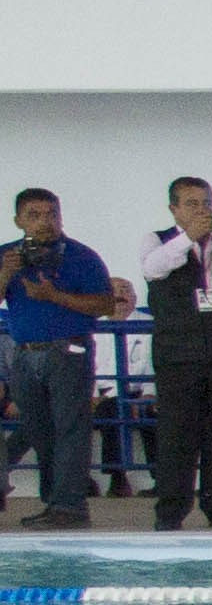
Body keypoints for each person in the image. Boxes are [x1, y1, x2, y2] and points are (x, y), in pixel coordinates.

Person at [133, 176, 212, 533]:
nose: (201, 210)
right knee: (177, 435)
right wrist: (189, 237)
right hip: (180, 355)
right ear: (173, 208)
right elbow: (153, 269)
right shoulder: (157, 240)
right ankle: (171, 510)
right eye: (191, 204)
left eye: (205, 202)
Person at [7, 185, 125, 529]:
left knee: (71, 429)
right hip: (25, 353)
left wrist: (53, 295)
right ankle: (54, 502)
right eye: (35, 215)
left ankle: (70, 507)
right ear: (18, 220)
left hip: (69, 350)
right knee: (37, 429)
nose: (45, 222)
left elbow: (105, 305)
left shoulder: (81, 256)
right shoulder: (8, 256)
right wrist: (5, 273)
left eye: (51, 214)